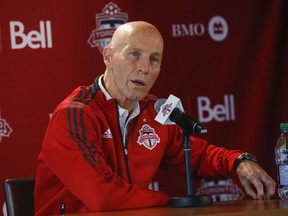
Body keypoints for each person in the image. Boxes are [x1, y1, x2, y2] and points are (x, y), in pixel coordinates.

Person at [34, 21, 275, 215]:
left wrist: (239, 161)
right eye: (134, 54)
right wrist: (169, 202)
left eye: (154, 59)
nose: (144, 68)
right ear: (107, 56)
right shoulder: (75, 114)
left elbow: (196, 155)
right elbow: (102, 196)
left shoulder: (154, 112)